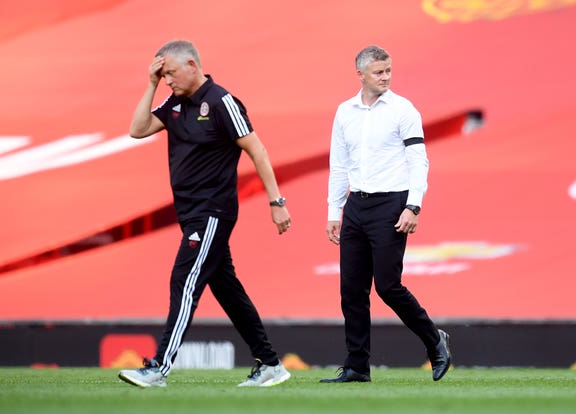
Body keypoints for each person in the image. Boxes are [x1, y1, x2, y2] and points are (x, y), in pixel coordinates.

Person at [118, 40, 292, 388]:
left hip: (212, 211)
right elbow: (137, 130)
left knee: (184, 280)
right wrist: (150, 84)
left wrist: (277, 202)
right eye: (163, 75)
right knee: (227, 290)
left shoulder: (222, 102)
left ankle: (158, 368)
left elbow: (257, 149)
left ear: (193, 65)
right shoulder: (175, 103)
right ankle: (271, 364)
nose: (168, 80)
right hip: (190, 213)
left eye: (170, 73)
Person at [321, 45, 451, 383]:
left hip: (391, 203)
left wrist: (413, 205)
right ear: (361, 74)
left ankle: (435, 341)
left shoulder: (403, 109)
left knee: (388, 286)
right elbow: (338, 165)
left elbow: (418, 160)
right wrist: (335, 210)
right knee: (351, 289)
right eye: (379, 72)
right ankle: (357, 367)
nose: (386, 77)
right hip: (356, 205)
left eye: (388, 70)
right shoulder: (344, 112)